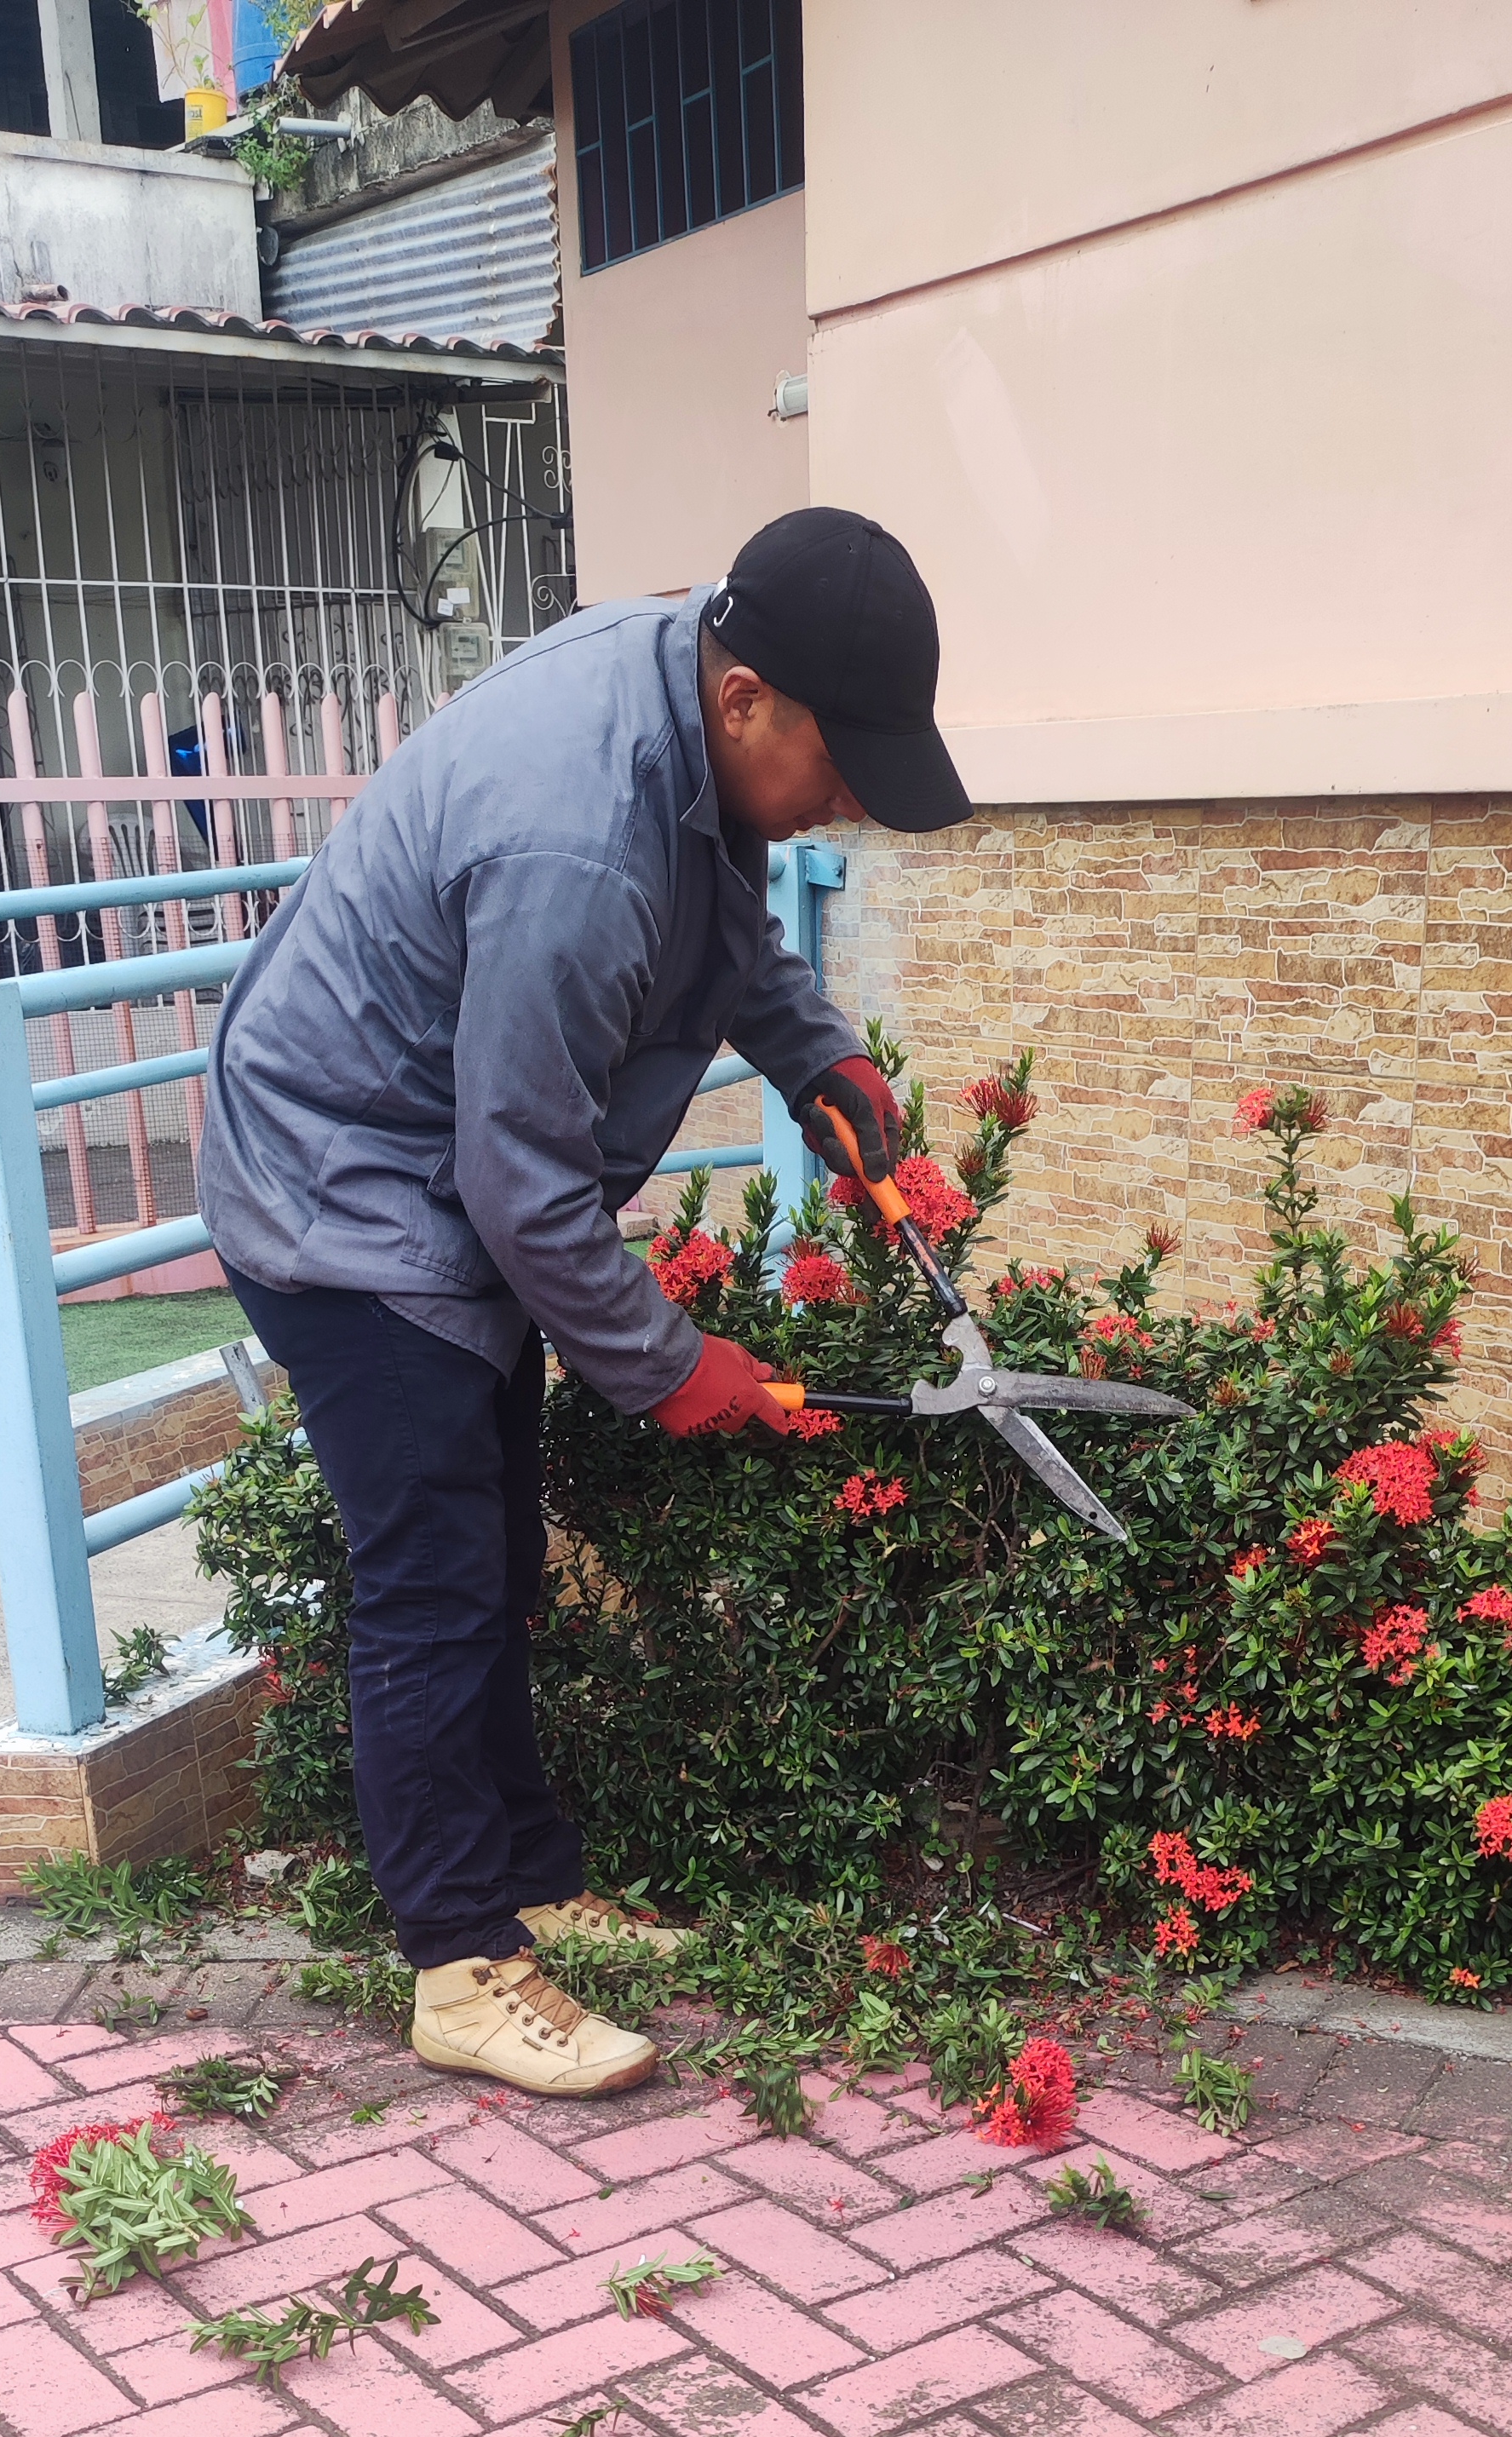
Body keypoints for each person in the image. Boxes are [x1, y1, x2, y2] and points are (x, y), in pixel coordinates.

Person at [200, 504, 970, 2094]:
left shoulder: (680, 689)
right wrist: (670, 1364)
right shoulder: (577, 841)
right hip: (343, 1194)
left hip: (429, 1170)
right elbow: (522, 1181)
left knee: (490, 1561)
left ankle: (530, 1883)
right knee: (434, 1584)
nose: (845, 803)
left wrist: (816, 1056)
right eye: (840, 764)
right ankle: (461, 1966)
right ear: (747, 696)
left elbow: (721, 925)